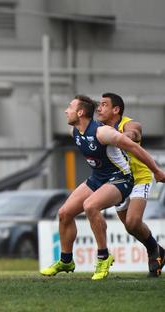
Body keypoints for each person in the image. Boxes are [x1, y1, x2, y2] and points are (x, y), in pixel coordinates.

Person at [41, 95, 165, 280]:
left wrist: (157, 170)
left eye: (70, 107)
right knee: (64, 213)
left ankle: (103, 257)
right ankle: (66, 260)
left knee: (92, 206)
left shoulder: (104, 132)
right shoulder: (74, 131)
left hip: (123, 178)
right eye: (98, 105)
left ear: (81, 112)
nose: (66, 111)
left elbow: (134, 141)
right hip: (99, 178)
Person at [96, 92, 165, 276]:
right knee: (129, 227)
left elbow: (134, 132)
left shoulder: (128, 123)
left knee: (134, 221)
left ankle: (153, 252)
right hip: (118, 180)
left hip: (139, 178)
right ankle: (158, 249)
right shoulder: (99, 129)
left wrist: (123, 136)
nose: (99, 108)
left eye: (104, 104)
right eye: (98, 104)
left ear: (116, 109)